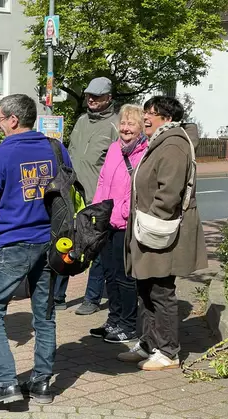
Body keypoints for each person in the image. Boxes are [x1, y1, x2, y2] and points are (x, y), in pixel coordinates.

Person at [0, 94, 72, 407]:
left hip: (15, 241)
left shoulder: (1, 155)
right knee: (44, 313)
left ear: (13, 120)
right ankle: (42, 383)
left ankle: (5, 384)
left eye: (0, 119)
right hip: (51, 241)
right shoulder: (56, 148)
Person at [119, 96, 207, 370]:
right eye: (145, 111)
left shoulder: (173, 145)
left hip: (159, 232)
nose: (145, 116)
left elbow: (168, 193)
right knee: (145, 287)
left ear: (167, 119)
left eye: (152, 113)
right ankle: (149, 344)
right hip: (150, 229)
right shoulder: (159, 141)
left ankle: (168, 351)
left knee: (161, 290)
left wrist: (151, 222)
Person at [54, 77, 119, 315]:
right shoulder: (81, 121)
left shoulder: (116, 125)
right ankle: (57, 297)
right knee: (65, 242)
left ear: (109, 98)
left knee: (95, 249)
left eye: (97, 96)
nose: (91, 99)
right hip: (72, 194)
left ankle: (91, 298)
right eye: (89, 95)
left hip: (97, 198)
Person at [91, 104, 147, 343]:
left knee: (125, 277)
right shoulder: (115, 148)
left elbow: (138, 188)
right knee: (109, 274)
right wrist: (97, 208)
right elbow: (103, 179)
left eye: (131, 124)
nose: (125, 128)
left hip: (124, 223)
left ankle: (128, 324)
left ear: (141, 127)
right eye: (123, 123)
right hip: (106, 220)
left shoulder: (144, 152)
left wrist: (124, 212)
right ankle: (113, 320)